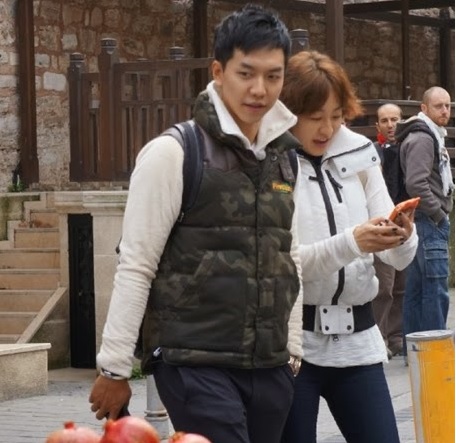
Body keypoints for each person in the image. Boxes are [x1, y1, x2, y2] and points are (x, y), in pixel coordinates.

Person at [89, 4, 304, 443]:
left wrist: (293, 348)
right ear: (218, 72)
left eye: (273, 76)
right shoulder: (174, 152)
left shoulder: (284, 157)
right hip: (193, 362)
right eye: (246, 73)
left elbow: (290, 254)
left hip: (269, 365)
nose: (259, 89)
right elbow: (136, 263)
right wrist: (114, 367)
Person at [279, 50, 418, 443]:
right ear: (290, 112)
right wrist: (353, 242)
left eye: (337, 115)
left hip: (359, 341)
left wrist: (402, 235)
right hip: (294, 347)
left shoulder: (360, 152)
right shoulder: (271, 163)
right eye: (315, 116)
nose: (327, 128)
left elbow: (396, 255)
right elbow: (282, 263)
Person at [396, 86, 454, 346]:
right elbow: (416, 183)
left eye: (448, 106)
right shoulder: (423, 138)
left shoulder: (428, 134)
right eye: (439, 106)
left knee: (418, 290)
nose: (445, 111)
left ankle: (416, 354)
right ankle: (434, 352)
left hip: (422, 220)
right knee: (435, 290)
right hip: (429, 221)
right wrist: (439, 214)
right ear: (424, 108)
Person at [372, 103, 406, 358]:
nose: (390, 124)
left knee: (401, 286)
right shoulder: (373, 152)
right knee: (384, 286)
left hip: (404, 223)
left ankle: (396, 337)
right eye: (384, 120)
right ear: (378, 125)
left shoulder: (408, 148)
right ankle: (379, 337)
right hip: (382, 224)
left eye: (394, 119)